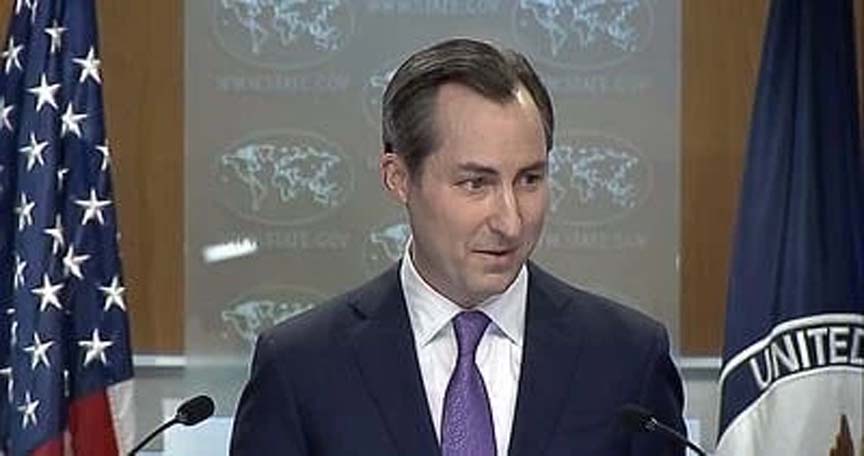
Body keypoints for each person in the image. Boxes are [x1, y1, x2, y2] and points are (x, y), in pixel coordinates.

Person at [230, 38, 686, 456]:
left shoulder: (627, 359)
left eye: (529, 179)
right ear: (398, 178)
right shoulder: (300, 368)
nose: (510, 221)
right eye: (475, 183)